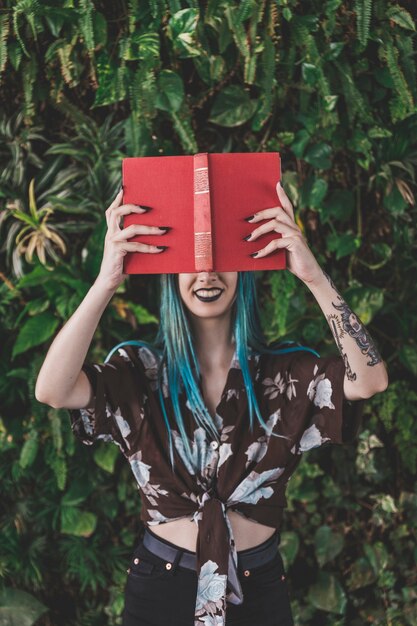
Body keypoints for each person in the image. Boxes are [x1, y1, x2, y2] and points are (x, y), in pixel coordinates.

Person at [35, 182, 389, 626]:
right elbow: (52, 389)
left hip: (256, 586)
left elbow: (370, 380)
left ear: (245, 272)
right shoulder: (139, 372)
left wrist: (312, 275)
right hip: (160, 586)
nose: (207, 275)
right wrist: (107, 280)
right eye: (192, 263)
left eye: (223, 262)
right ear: (171, 274)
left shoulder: (284, 373)